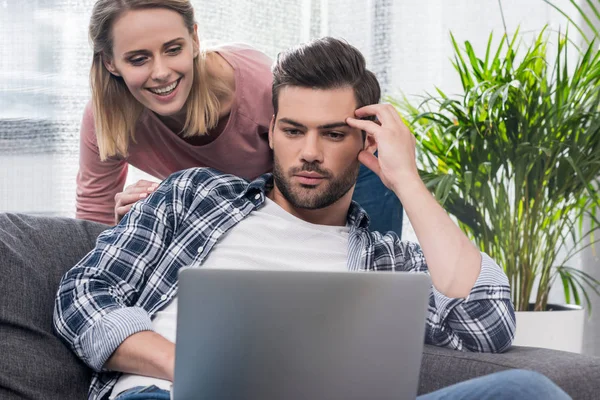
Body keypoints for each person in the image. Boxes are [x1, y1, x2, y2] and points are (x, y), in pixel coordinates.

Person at [54, 37, 570, 400]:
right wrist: (187, 365)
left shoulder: (391, 262)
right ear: (272, 129)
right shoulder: (193, 195)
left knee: (525, 389)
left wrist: (408, 182)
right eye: (294, 130)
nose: (309, 152)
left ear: (367, 141)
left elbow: (486, 324)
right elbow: (81, 294)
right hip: (168, 395)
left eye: (333, 133)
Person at [77, 0, 403, 235]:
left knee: (366, 281)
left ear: (194, 39)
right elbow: (94, 214)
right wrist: (129, 228)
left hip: (337, 175)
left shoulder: (259, 85)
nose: (161, 73)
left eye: (173, 49)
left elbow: (315, 154)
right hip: (253, 203)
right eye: (138, 59)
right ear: (110, 62)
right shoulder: (106, 119)